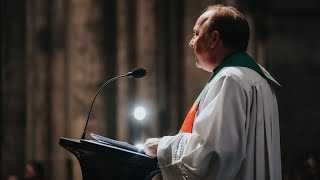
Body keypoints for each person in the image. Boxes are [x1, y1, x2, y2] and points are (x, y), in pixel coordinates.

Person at [144, 4, 282, 180]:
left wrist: (163, 146)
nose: (191, 42)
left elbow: (213, 155)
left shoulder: (230, 80)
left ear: (214, 39)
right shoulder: (257, 78)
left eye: (196, 34)